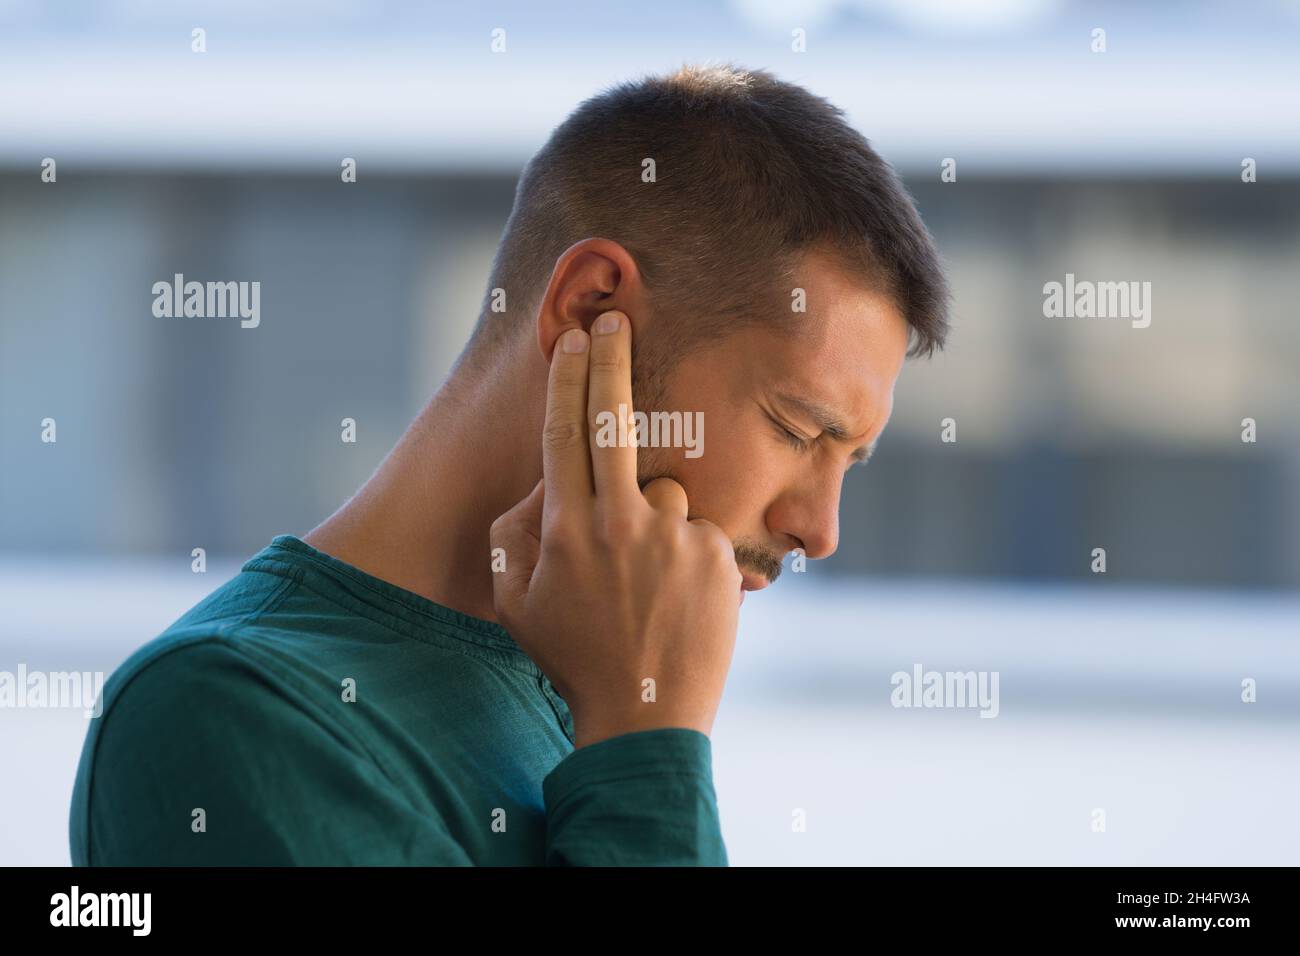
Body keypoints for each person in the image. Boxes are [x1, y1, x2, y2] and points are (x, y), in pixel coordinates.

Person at [69, 63, 949, 866]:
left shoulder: (592, 678)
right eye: (796, 430)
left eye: (852, 461)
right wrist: (647, 750)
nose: (820, 531)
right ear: (590, 307)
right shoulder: (227, 714)